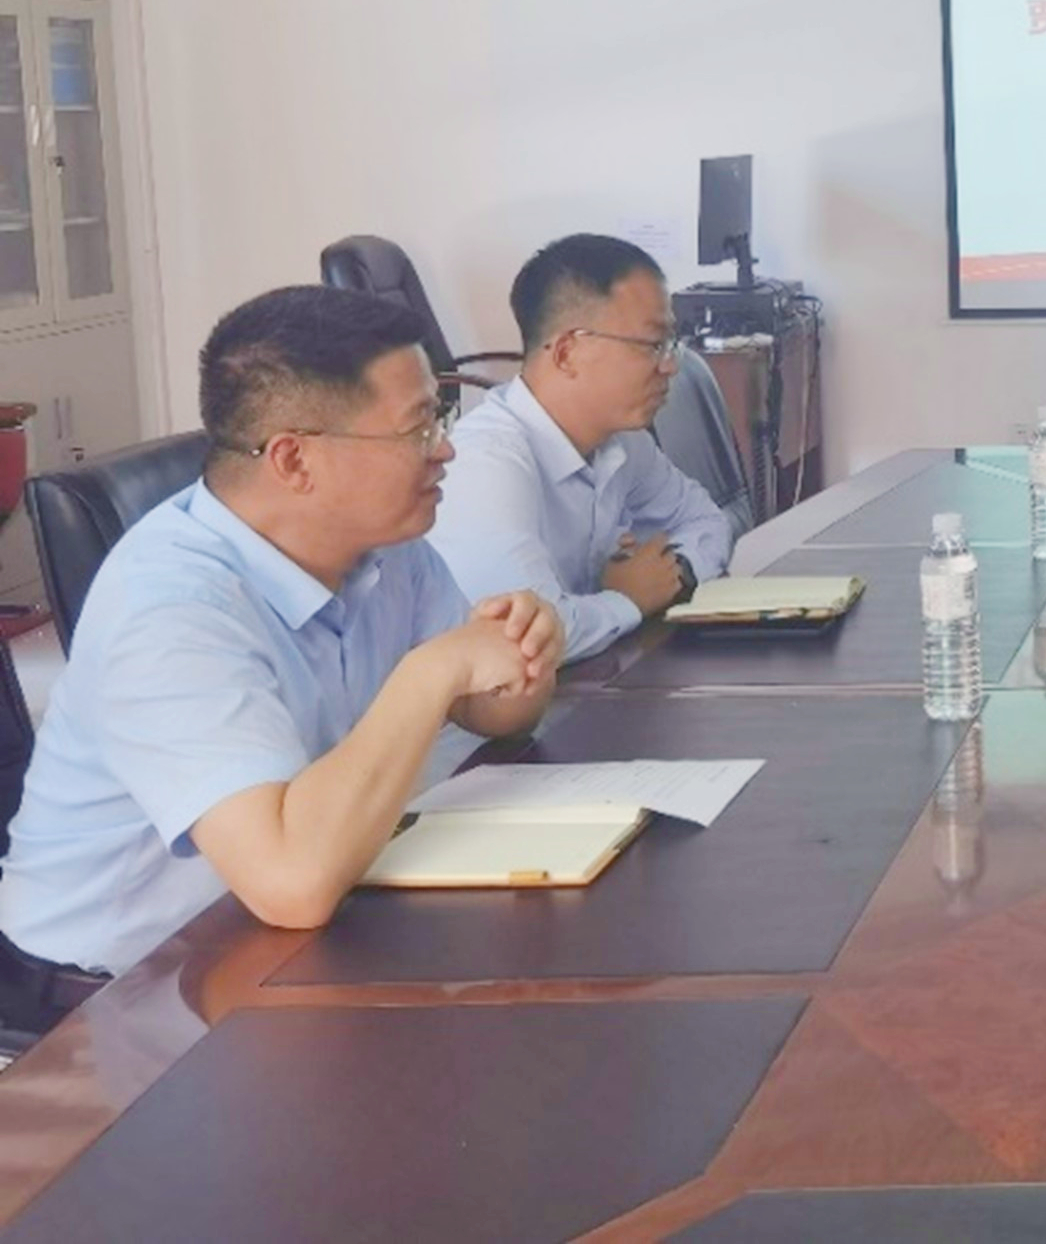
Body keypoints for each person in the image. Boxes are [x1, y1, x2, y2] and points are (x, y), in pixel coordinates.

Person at [0, 288, 559, 1014]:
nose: (445, 447)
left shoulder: (385, 545)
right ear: (295, 460)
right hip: (108, 993)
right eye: (418, 427)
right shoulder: (169, 608)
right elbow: (292, 883)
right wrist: (435, 670)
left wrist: (522, 650)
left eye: (440, 416)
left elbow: (495, 711)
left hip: (274, 932)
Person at [430, 234, 734, 664]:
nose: (669, 366)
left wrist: (673, 573)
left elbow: (706, 521)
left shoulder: (623, 442)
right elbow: (525, 641)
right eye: (652, 345)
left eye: (670, 345)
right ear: (567, 353)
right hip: (495, 704)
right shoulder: (485, 464)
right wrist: (628, 599)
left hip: (587, 684)